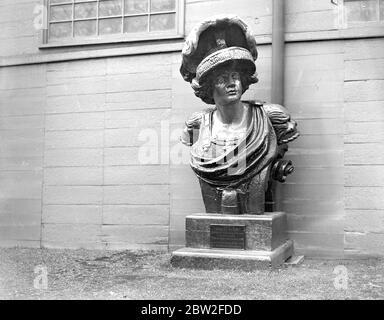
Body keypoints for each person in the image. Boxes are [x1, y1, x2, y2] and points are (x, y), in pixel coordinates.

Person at [180, 15, 299, 214]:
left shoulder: (270, 117)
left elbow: (282, 146)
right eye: (222, 78)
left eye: (235, 76)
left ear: (243, 80)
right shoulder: (197, 124)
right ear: (209, 87)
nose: (231, 83)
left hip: (255, 194)